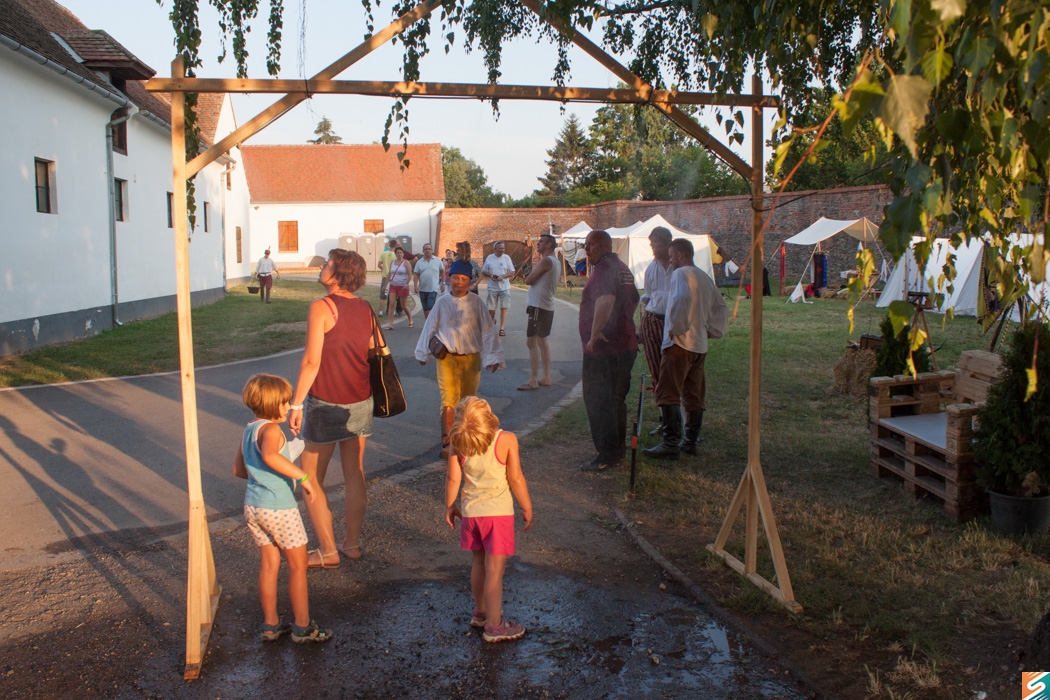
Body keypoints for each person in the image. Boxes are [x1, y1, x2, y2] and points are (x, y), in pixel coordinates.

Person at [288, 249, 374, 568]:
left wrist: (296, 403)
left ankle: (327, 550)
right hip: (361, 400)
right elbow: (370, 351)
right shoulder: (365, 307)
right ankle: (351, 544)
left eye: (327, 264)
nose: (321, 267)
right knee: (355, 474)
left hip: (326, 402)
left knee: (310, 477)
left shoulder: (321, 308)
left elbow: (312, 361)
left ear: (338, 275)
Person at [233, 373, 332, 643]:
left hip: (254, 506)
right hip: (279, 508)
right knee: (298, 566)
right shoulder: (271, 431)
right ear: (271, 404)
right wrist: (303, 478)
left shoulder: (249, 429)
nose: (289, 407)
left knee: (269, 564)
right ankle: (303, 625)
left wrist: (262, 475)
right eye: (285, 403)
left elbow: (239, 469)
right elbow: (269, 456)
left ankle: (271, 624)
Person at [444, 396, 533, 643]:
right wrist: (527, 506)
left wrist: (450, 506)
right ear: (489, 419)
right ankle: (495, 626)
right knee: (495, 570)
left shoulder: (458, 443)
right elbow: (516, 478)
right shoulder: (506, 440)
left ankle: (481, 612)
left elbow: (453, 479)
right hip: (498, 516)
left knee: (479, 564)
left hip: (472, 515)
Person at [643, 238, 728, 459]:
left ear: (680, 255)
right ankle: (689, 442)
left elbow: (681, 299)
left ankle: (670, 443)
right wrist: (713, 330)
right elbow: (721, 306)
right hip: (699, 345)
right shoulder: (704, 277)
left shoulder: (681, 274)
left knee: (668, 392)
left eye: (672, 257)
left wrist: (675, 328)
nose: (670, 261)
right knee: (694, 394)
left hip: (680, 344)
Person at [415, 259, 504, 459]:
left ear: (470, 282)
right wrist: (422, 352)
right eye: (455, 278)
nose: (459, 282)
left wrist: (493, 357)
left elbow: (488, 330)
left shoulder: (476, 303)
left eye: (463, 279)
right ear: (450, 279)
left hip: (471, 359)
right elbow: (430, 327)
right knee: (448, 399)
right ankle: (449, 443)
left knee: (469, 399)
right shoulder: (442, 302)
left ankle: (467, 440)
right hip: (446, 358)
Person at [578, 230, 640, 472]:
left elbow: (605, 300)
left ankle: (607, 454)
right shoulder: (622, 268)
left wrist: (595, 334)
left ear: (604, 246)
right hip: (624, 346)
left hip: (605, 350)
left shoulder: (604, 269)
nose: (586, 249)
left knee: (600, 400)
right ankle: (616, 450)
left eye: (590, 245)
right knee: (615, 401)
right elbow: (634, 299)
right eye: (585, 245)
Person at [639, 226, 674, 435]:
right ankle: (664, 419)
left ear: (668, 243)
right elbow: (647, 297)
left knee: (674, 372)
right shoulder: (651, 268)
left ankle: (678, 422)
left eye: (657, 245)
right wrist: (641, 326)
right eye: (652, 245)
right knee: (656, 372)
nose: (653, 250)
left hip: (673, 324)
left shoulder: (678, 267)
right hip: (652, 321)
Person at [519, 233, 560, 391]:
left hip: (538, 306)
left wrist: (529, 272)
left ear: (549, 245)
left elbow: (529, 280)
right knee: (542, 341)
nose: (538, 244)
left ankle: (533, 379)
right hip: (546, 305)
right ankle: (546, 376)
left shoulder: (546, 261)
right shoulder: (555, 261)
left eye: (541, 242)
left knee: (531, 342)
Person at [482, 240, 516, 336]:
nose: (502, 250)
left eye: (503, 248)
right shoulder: (490, 258)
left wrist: (503, 276)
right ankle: (492, 323)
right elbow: (484, 271)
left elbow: (512, 271)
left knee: (504, 308)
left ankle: (502, 328)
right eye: (500, 248)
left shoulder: (506, 258)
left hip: (504, 287)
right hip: (492, 288)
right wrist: (490, 275)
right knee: (491, 309)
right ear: (495, 249)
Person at [385, 246, 414, 329]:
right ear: (395, 254)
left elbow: (409, 274)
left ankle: (410, 319)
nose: (399, 254)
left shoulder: (406, 262)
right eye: (397, 253)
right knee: (391, 304)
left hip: (402, 286)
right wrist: (385, 285)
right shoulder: (392, 262)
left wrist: (406, 284)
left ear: (403, 254)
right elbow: (389, 274)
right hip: (393, 286)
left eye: (400, 253)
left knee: (403, 305)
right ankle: (390, 324)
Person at [413, 243, 443, 320]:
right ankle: (428, 322)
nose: (427, 250)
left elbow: (442, 271)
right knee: (425, 308)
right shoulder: (419, 262)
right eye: (426, 249)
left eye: (429, 249)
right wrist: (415, 285)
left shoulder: (438, 260)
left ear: (432, 250)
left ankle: (431, 323)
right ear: (423, 251)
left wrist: (443, 283)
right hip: (422, 289)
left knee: (430, 306)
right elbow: (416, 274)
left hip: (433, 288)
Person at [377, 240, 397, 316]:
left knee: (383, 295)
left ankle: (380, 311)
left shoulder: (383, 253)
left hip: (385, 276)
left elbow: (379, 265)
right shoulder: (396, 255)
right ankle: (393, 311)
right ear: (396, 245)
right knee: (393, 295)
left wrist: (384, 269)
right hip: (394, 276)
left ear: (389, 244)